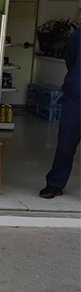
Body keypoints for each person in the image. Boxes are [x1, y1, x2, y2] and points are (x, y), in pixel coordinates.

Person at [40, 26, 81, 199]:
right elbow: (70, 58)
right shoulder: (79, 34)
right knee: (65, 144)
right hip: (76, 98)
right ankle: (55, 184)